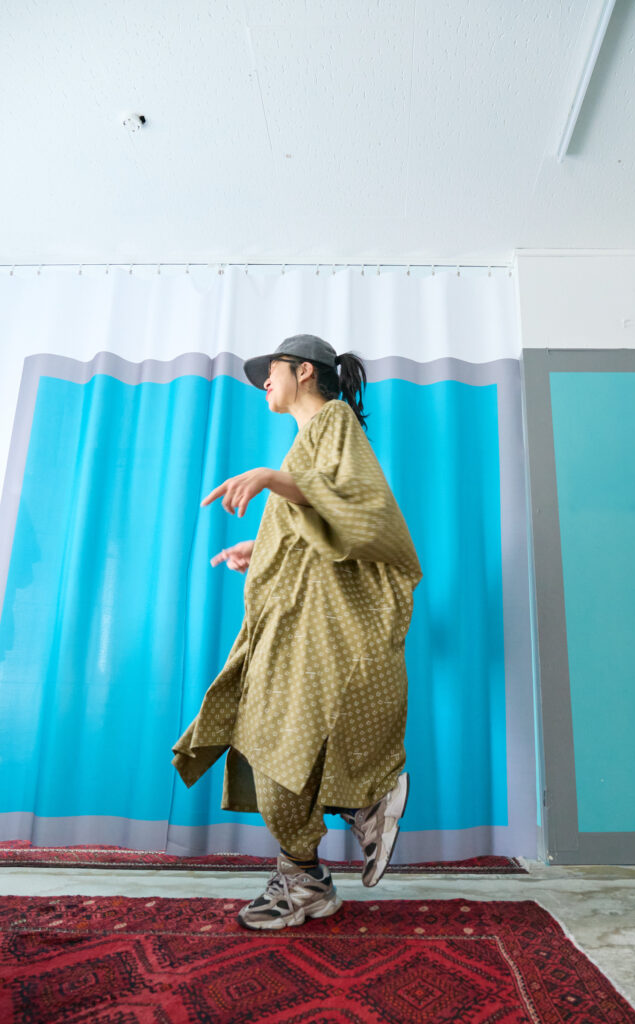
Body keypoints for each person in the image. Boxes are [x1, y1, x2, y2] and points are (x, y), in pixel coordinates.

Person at [171, 333, 423, 931]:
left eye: (272, 369)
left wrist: (268, 477)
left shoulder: (333, 421)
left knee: (277, 740)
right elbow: (316, 525)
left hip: (323, 629)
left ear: (304, 371)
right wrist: (260, 547)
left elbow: (360, 510)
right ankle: (318, 860)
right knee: (271, 740)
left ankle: (347, 823)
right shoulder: (305, 445)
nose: (264, 381)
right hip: (296, 624)